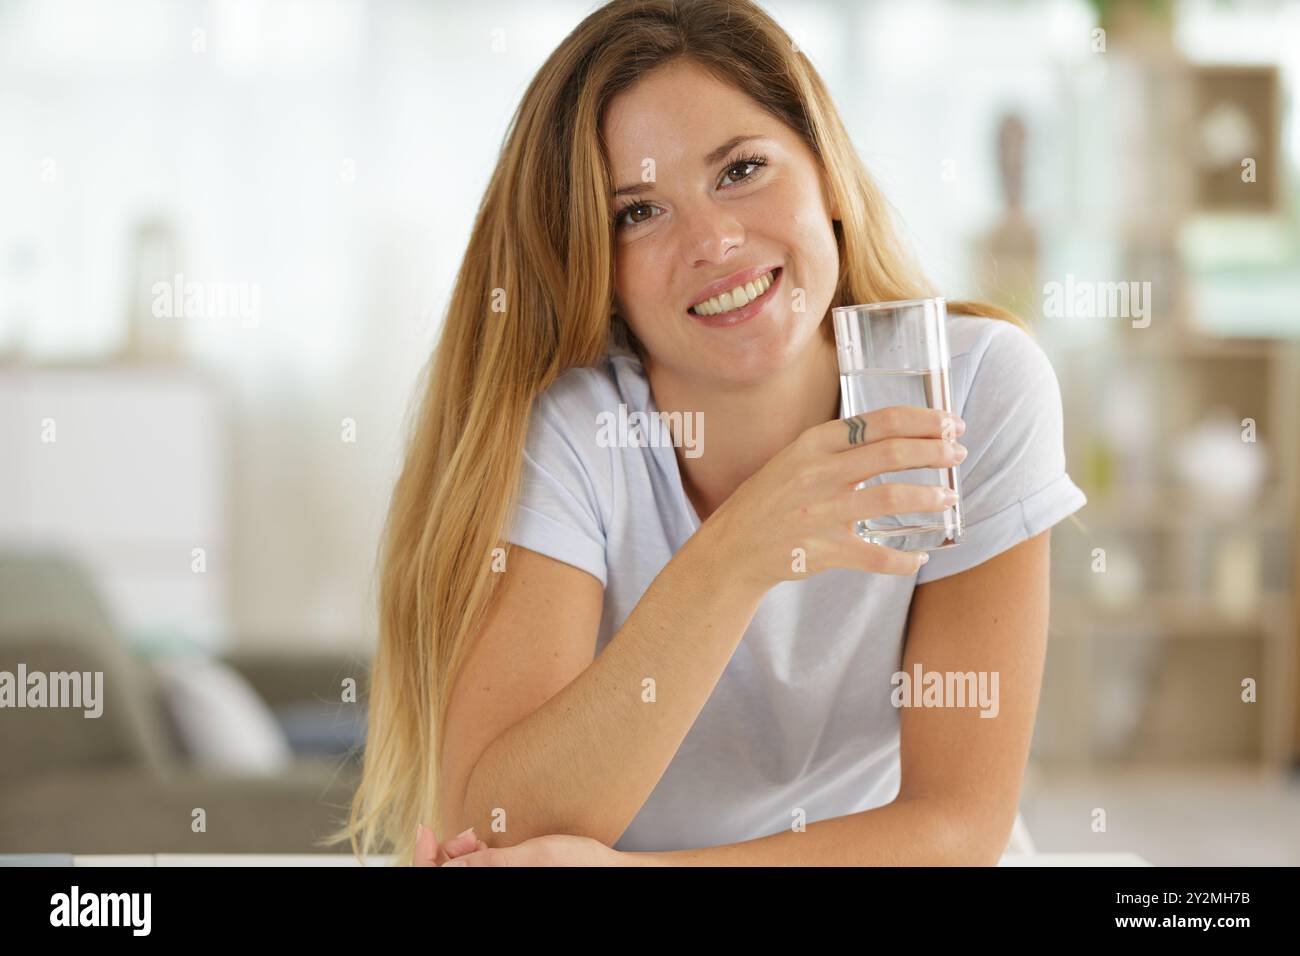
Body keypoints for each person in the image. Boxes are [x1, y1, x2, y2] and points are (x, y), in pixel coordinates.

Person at [331, 0, 1086, 867]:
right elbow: (493, 830)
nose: (715, 241)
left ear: (830, 176)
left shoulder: (979, 386)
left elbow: (957, 829)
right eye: (639, 213)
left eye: (741, 170)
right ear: (596, 265)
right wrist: (738, 554)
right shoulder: (575, 435)